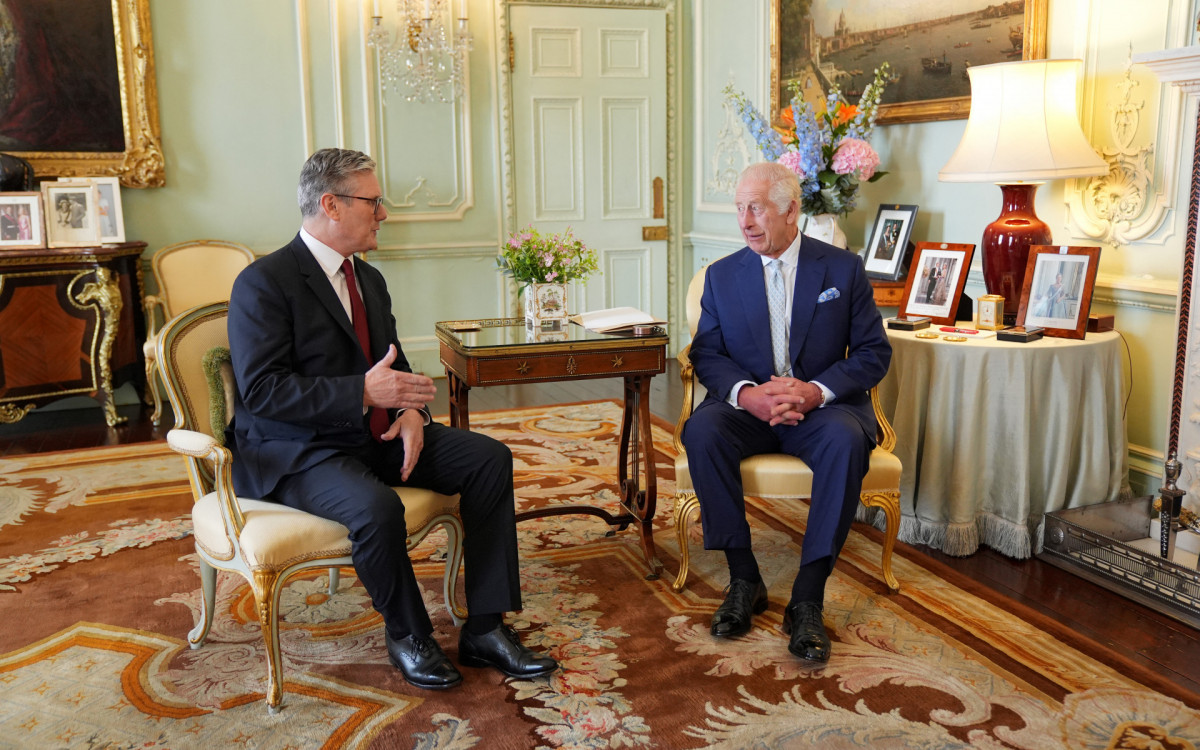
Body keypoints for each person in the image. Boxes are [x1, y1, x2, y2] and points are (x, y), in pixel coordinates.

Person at [226, 148, 557, 690]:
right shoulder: (264, 282)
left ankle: (486, 627)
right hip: (298, 449)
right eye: (373, 202)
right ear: (331, 204)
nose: (383, 214)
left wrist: (409, 412)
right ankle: (409, 635)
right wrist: (361, 393)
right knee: (376, 508)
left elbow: (393, 365)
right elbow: (263, 392)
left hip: (372, 432)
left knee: (488, 459)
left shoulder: (368, 280)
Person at [682, 162, 891, 664]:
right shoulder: (721, 276)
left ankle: (807, 597)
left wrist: (817, 392)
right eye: (739, 208)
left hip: (818, 410)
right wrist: (747, 393)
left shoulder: (841, 269)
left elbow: (872, 353)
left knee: (846, 440)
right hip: (748, 409)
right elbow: (706, 353)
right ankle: (744, 578)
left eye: (756, 208)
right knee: (703, 430)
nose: (745, 221)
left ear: (791, 209)